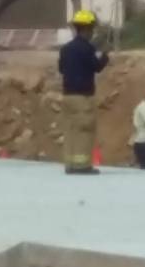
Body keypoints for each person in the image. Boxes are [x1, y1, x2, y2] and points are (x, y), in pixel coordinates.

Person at [58, 10, 109, 175]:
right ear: (86, 29)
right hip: (83, 97)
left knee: (70, 130)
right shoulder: (87, 48)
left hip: (67, 96)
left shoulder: (65, 49)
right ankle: (82, 165)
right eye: (91, 29)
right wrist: (105, 57)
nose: (92, 32)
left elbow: (61, 69)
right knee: (84, 131)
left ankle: (70, 164)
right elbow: (96, 67)